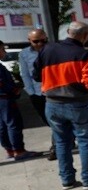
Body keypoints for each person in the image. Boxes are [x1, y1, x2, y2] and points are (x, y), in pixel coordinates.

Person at [34, 21, 88, 190]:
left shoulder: (47, 49)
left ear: (68, 32)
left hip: (52, 104)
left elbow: (36, 74)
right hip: (78, 104)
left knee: (61, 143)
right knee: (85, 141)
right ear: (84, 36)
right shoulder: (84, 55)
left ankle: (67, 180)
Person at [19, 29, 56, 160]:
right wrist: (31, 92)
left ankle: (56, 146)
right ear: (29, 41)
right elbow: (25, 74)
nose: (40, 43)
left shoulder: (53, 50)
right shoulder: (24, 54)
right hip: (37, 93)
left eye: (43, 40)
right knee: (47, 120)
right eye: (36, 41)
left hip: (54, 92)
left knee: (55, 121)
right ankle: (64, 139)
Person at [0, 40, 39, 161]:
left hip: (4, 97)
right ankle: (18, 150)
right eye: (2, 50)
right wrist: (13, 90)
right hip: (5, 98)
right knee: (12, 124)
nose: (4, 52)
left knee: (2, 125)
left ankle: (10, 150)